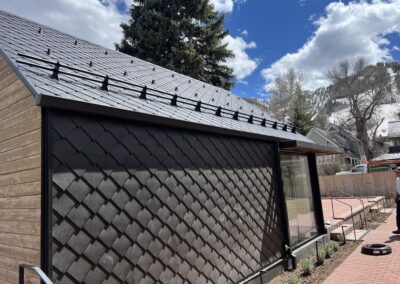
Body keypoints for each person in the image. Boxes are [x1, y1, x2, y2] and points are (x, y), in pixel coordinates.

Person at [392, 167, 400, 234]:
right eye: (396, 172)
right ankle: (399, 228)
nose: (396, 173)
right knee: (398, 214)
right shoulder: (397, 179)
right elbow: (397, 189)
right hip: (399, 199)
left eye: (397, 172)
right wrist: (396, 197)